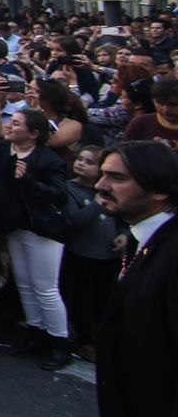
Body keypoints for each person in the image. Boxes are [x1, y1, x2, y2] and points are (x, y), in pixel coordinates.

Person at [94, 141, 178, 417]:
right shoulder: (141, 238)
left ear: (159, 190)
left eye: (116, 178)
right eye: (102, 175)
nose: (100, 185)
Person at [0, 107, 73, 371]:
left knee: (46, 288)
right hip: (15, 226)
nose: (10, 126)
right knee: (24, 284)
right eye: (11, 122)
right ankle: (35, 332)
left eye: (16, 123)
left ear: (34, 133)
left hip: (42, 230)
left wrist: (28, 181)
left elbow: (58, 194)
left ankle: (59, 343)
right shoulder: (5, 151)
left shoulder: (49, 160)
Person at [60, 146, 119, 362]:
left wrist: (122, 234)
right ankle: (85, 341)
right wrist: (95, 204)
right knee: (82, 301)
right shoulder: (70, 189)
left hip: (108, 257)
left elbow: (121, 216)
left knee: (103, 301)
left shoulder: (112, 191)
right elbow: (74, 220)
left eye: (89, 162)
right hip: (81, 254)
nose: (81, 164)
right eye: (79, 159)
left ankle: (102, 340)